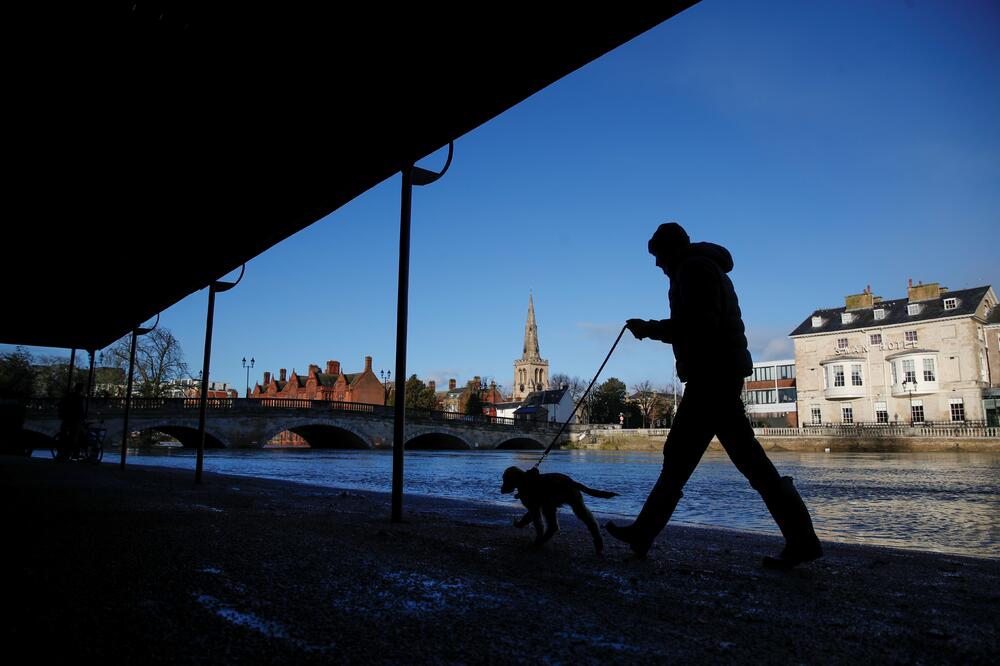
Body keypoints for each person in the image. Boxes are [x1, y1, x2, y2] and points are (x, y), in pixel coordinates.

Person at [605, 222, 822, 569]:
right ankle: (644, 532)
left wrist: (650, 329)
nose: (658, 266)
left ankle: (803, 541)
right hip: (718, 372)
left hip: (713, 375)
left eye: (659, 257)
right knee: (704, 457)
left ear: (671, 249)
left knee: (708, 458)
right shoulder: (699, 267)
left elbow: (699, 324)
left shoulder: (693, 269)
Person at [56, 382, 86, 461]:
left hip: (66, 418)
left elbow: (60, 404)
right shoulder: (79, 398)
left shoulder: (69, 396)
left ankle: (61, 453)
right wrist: (82, 419)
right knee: (74, 436)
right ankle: (71, 453)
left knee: (64, 435)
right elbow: (81, 410)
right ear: (81, 389)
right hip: (75, 419)